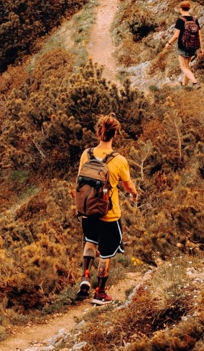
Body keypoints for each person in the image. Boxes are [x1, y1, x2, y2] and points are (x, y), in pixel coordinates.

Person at [75, 114, 138, 305]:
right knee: (106, 252)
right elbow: (127, 185)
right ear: (115, 134)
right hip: (108, 214)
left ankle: (85, 277)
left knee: (90, 242)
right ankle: (100, 292)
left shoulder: (86, 154)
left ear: (98, 132)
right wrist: (134, 194)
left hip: (87, 210)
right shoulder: (119, 160)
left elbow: (79, 179)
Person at [162, 0, 203, 86]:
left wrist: (169, 43)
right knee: (187, 66)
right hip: (193, 46)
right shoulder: (195, 19)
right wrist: (201, 48)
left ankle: (195, 82)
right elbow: (199, 35)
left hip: (183, 46)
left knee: (183, 67)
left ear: (181, 9)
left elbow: (176, 35)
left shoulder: (180, 20)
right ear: (189, 8)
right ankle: (184, 85)